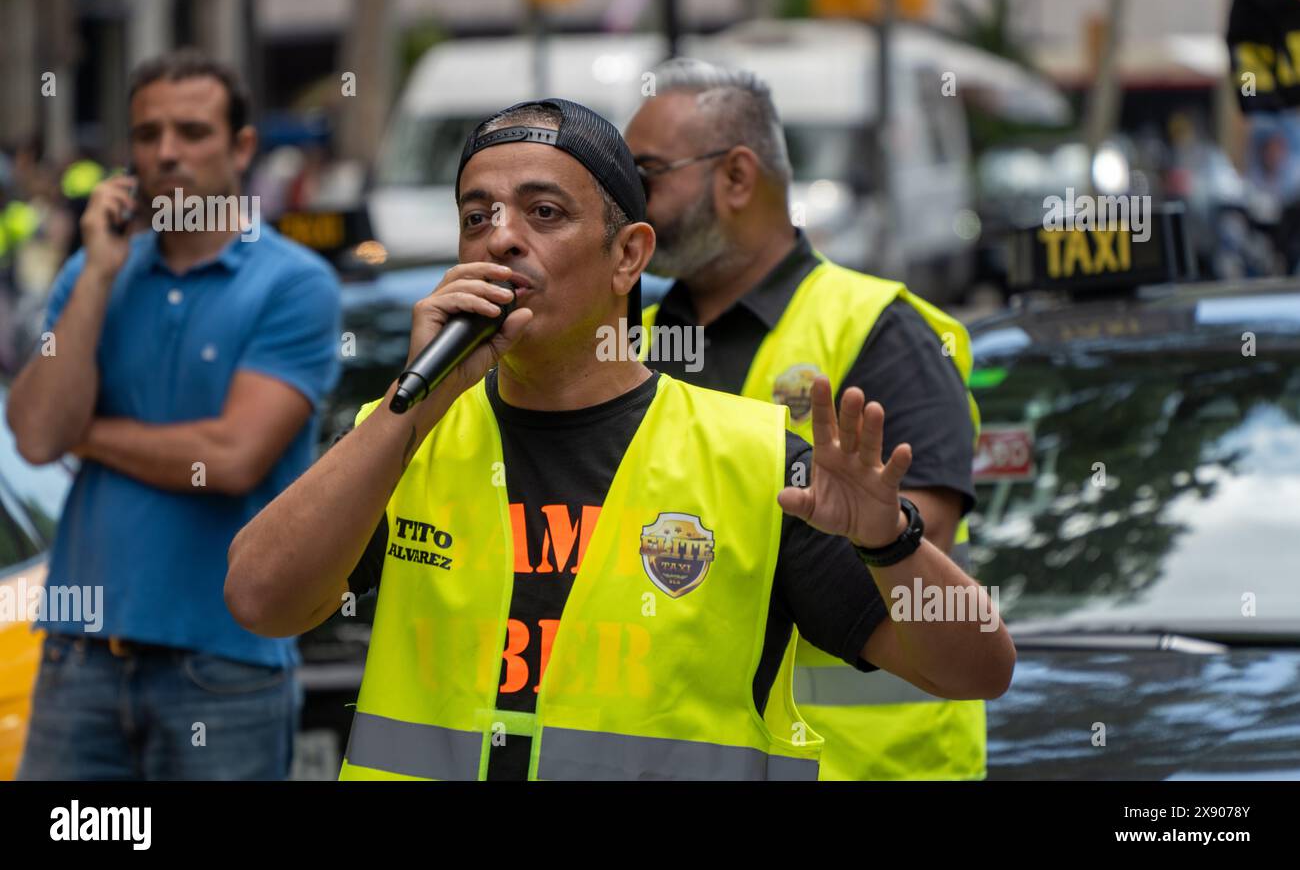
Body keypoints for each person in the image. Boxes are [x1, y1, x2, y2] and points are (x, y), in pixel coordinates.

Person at [225, 97, 1013, 781]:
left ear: (629, 255)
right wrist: (408, 408)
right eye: (477, 215)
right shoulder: (407, 434)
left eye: (544, 213)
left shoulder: (751, 457)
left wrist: (889, 541)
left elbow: (977, 669)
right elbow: (259, 600)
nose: (501, 239)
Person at [623, 59, 985, 781]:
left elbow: (917, 547)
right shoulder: (634, 344)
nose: (629, 201)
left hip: (870, 769)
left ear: (736, 176)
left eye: (648, 174)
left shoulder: (878, 327)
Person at [7, 49, 342, 780]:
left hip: (222, 667)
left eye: (192, 132)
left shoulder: (295, 285)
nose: (167, 152)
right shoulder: (95, 270)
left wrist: (88, 435)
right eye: (149, 133)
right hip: (78, 655)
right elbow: (35, 434)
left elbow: (229, 458)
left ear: (242, 146)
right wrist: (96, 271)